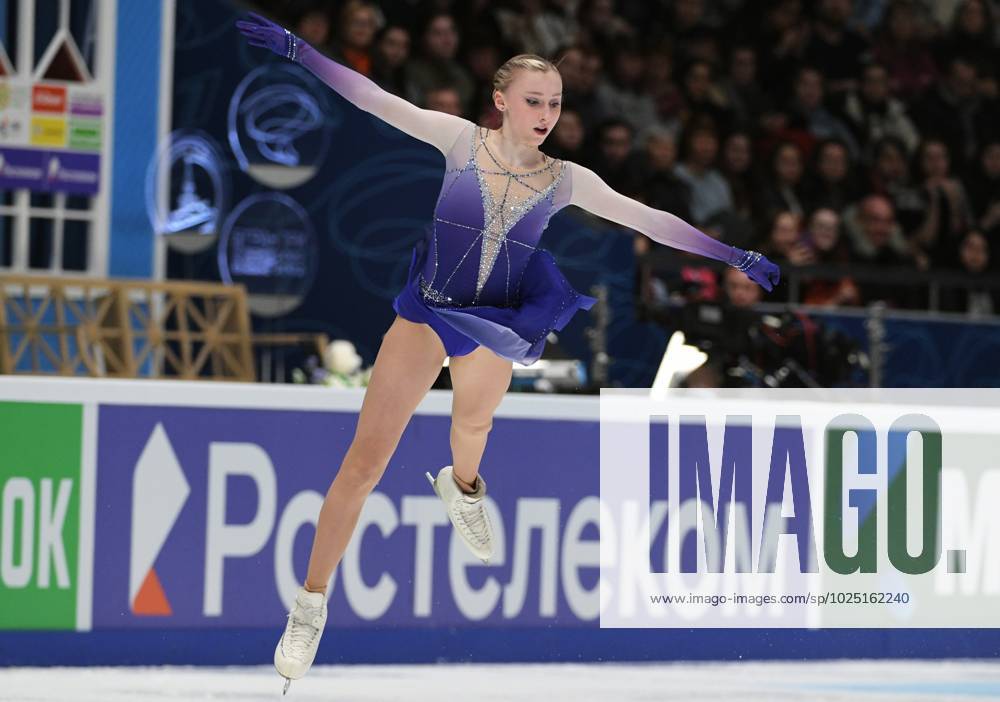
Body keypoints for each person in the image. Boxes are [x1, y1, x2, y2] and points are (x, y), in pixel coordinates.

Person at [236, 11, 779, 692]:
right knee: (363, 465)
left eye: (555, 102)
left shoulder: (566, 179)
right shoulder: (458, 140)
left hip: (493, 321)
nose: (546, 112)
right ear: (500, 100)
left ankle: (460, 487)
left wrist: (730, 253)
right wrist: (299, 51)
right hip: (430, 310)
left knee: (473, 426)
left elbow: (647, 217)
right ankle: (311, 603)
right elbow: (373, 97)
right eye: (533, 100)